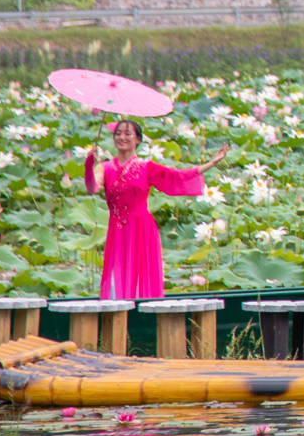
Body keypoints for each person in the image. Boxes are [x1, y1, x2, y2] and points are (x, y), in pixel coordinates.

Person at [81, 119, 231, 301]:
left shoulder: (146, 168)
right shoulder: (104, 168)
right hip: (118, 231)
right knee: (116, 280)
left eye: (128, 134)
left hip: (142, 230)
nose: (122, 137)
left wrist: (212, 163)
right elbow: (92, 188)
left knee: (140, 280)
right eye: (118, 133)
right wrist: (89, 165)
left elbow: (179, 176)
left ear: (138, 140)